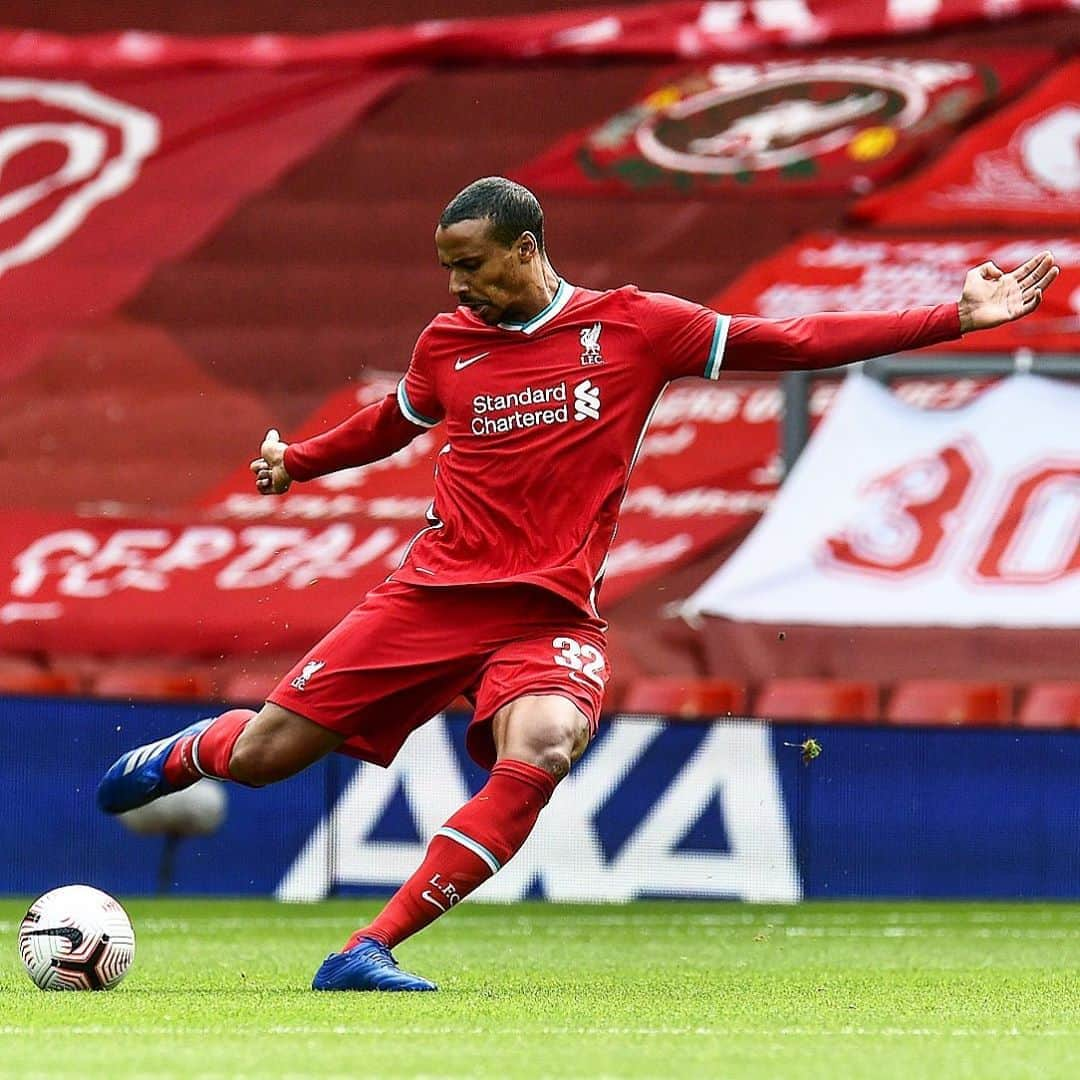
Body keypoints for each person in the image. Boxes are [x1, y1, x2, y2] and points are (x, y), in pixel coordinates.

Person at [97, 177, 1059, 992]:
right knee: (267, 760)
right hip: (431, 594)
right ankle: (190, 752)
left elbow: (794, 340)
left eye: (471, 264)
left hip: (548, 613)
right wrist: (297, 463)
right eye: (447, 267)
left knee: (546, 749)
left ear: (526, 249)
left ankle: (365, 949)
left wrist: (955, 317)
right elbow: (394, 420)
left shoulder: (638, 329)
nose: (456, 283)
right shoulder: (448, 343)